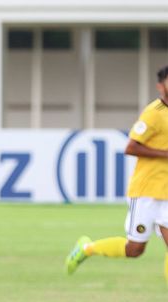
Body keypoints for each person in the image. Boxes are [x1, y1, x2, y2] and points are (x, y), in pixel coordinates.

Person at [66, 65, 168, 281]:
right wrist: (164, 154)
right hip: (147, 191)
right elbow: (131, 147)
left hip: (167, 192)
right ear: (161, 86)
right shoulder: (153, 114)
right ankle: (87, 248)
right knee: (135, 250)